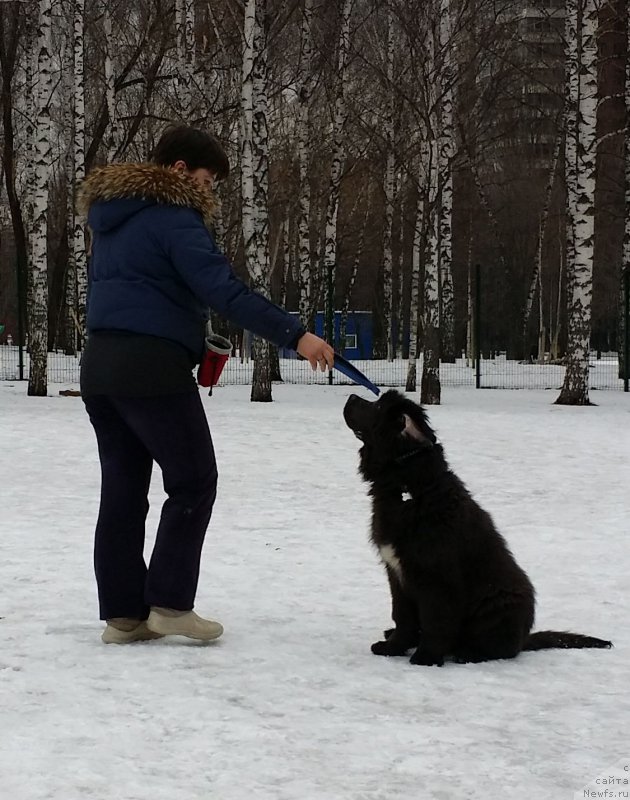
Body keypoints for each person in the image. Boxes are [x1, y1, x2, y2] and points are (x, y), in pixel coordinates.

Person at [79, 124, 334, 645]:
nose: (209, 191)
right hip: (151, 369)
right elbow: (223, 290)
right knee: (194, 481)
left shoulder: (112, 219)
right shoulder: (175, 218)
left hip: (101, 367)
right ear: (178, 171)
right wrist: (296, 335)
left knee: (123, 491)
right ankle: (170, 605)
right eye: (207, 180)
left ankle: (124, 615)